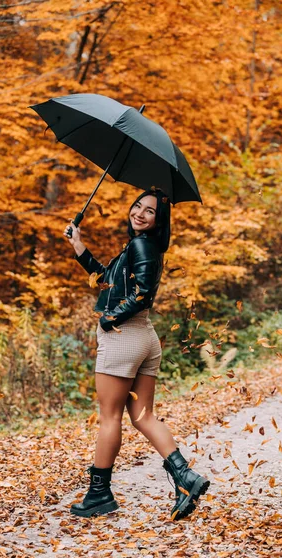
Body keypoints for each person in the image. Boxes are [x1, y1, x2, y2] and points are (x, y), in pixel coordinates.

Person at [64, 187, 210, 520]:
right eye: (138, 206)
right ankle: (185, 476)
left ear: (159, 221)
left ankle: (99, 495)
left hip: (124, 337)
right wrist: (78, 245)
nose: (140, 213)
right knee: (143, 416)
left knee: (110, 417)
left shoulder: (142, 245)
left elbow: (141, 295)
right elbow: (107, 280)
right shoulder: (141, 246)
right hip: (145, 337)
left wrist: (108, 319)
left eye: (150, 212)